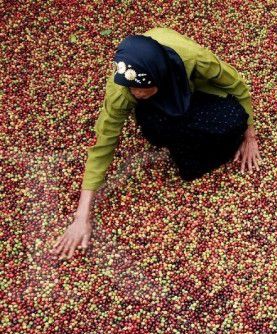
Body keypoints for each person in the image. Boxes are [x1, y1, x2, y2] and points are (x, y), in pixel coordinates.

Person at [50, 27, 261, 259]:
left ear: (160, 75)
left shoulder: (194, 58)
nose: (136, 93)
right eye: (133, 88)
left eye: (142, 88)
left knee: (233, 120)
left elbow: (236, 85)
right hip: (159, 105)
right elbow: (103, 145)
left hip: (193, 90)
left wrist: (249, 134)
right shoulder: (121, 90)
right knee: (162, 132)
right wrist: (82, 216)